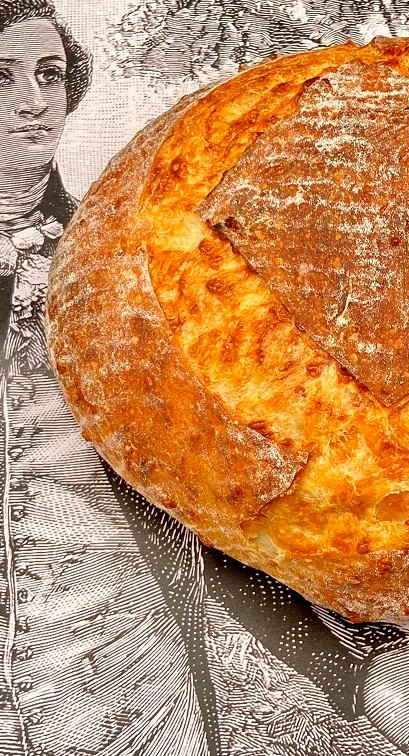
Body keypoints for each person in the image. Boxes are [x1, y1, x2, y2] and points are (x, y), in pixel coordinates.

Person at [0, 3, 222, 753]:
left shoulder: (119, 265)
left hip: (125, 662)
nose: (32, 100)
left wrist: (356, 671)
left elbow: (204, 483)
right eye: (1, 75)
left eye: (50, 75)